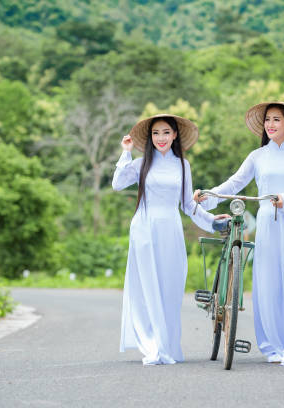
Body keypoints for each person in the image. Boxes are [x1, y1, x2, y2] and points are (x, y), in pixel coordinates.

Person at [194, 102, 284, 366]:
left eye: (277, 119)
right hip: (267, 224)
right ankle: (273, 346)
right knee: (268, 284)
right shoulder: (257, 156)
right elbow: (235, 183)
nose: (270, 124)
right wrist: (206, 198)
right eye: (268, 120)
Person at [112, 114, 227, 365]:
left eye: (166, 132)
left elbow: (187, 204)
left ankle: (168, 344)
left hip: (171, 229)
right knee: (147, 287)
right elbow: (118, 184)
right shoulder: (143, 163)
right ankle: (153, 346)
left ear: (175, 135)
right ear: (150, 138)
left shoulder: (182, 166)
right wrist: (126, 153)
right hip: (144, 227)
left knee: (170, 286)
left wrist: (211, 221)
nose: (161, 138)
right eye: (155, 133)